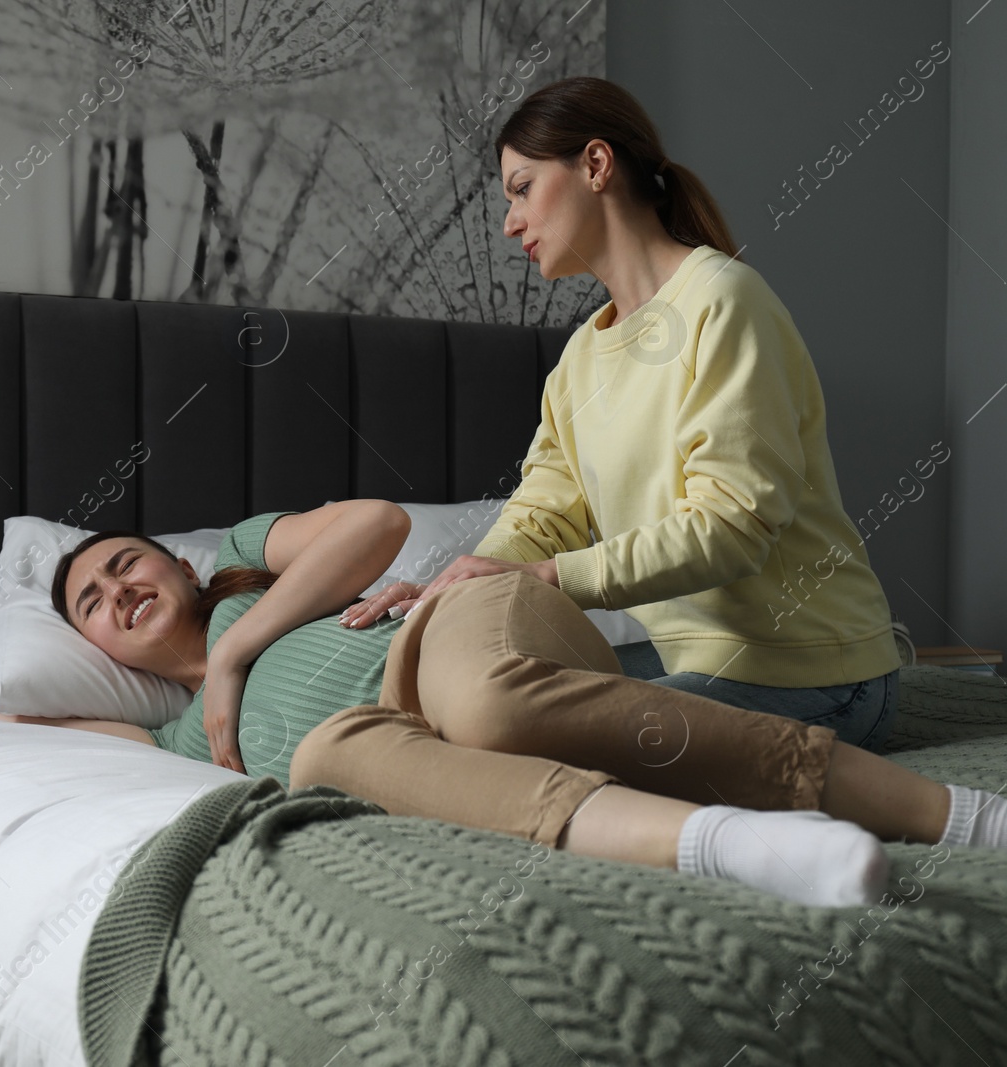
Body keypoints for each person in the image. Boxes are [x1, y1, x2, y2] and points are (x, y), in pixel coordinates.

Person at [0, 503, 1007, 908]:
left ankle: (988, 821)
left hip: (456, 627)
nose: (116, 586)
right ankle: (738, 841)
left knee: (491, 708)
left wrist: (240, 647)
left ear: (184, 562)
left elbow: (378, 527)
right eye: (88, 596)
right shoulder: (168, 734)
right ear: (88, 639)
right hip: (389, 735)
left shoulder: (252, 560)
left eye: (129, 560)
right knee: (339, 759)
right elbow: (6, 724)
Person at [383, 75, 904, 753]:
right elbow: (541, 517)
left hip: (823, 679)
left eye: (521, 188)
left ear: (595, 165)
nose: (510, 221)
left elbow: (732, 525)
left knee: (522, 738)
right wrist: (453, 588)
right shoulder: (578, 362)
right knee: (469, 712)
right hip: (693, 668)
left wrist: (551, 577)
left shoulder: (723, 301)